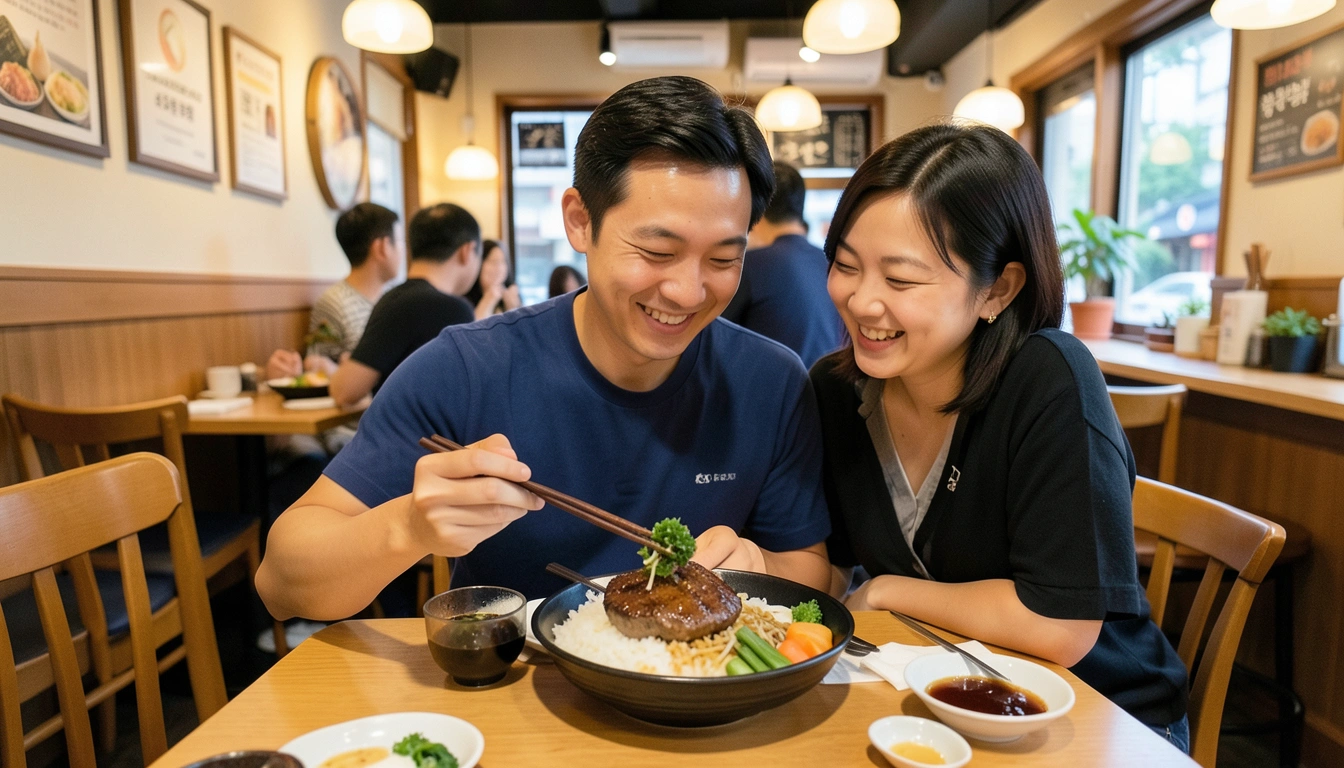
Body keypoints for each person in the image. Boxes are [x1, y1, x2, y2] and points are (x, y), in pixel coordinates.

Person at [256, 76, 832, 621]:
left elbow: (809, 567)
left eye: (724, 259)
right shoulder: (466, 368)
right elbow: (280, 583)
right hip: (509, 701)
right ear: (580, 221)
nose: (687, 291)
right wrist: (406, 527)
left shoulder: (771, 382)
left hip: (704, 699)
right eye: (657, 251)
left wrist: (759, 567)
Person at [811, 123, 1190, 751]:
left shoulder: (1049, 379)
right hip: (936, 696)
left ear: (997, 289)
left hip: (1099, 718)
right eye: (846, 266)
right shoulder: (837, 388)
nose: (861, 301)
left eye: (900, 280)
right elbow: (829, 564)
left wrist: (885, 590)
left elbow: (1061, 625)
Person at [328, 203, 480, 407]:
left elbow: (342, 388)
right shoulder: (454, 310)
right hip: (426, 438)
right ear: (467, 251)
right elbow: (345, 392)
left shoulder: (393, 300)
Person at [720, 162, 841, 368]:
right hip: (829, 393)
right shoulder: (832, 264)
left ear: (755, 208)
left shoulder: (750, 266)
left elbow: (714, 342)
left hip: (774, 394)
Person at [267, 202, 402, 380]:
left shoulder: (396, 298)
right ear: (383, 247)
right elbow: (317, 369)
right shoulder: (335, 303)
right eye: (401, 242)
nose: (403, 250)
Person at [464, 239, 521, 319]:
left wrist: (514, 308)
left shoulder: (511, 295)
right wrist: (488, 299)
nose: (498, 267)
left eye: (502, 261)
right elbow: (472, 328)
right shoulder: (465, 300)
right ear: (479, 263)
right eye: (493, 261)